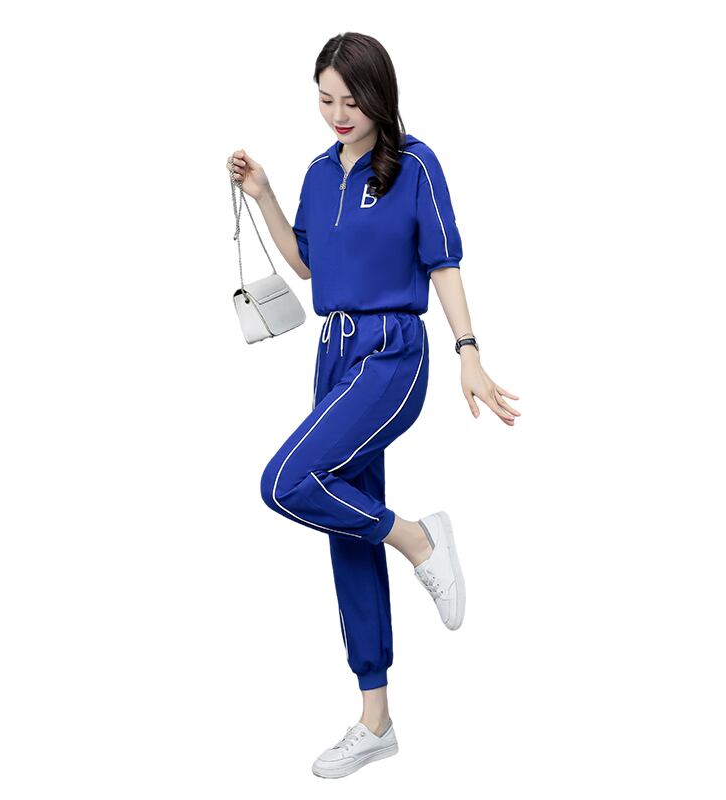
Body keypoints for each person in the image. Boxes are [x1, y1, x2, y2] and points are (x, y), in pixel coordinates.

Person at [227, 32, 520, 778]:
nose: (338, 114)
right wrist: (264, 194)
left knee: (286, 481)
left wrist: (469, 351)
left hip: (392, 353)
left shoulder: (415, 164)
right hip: (333, 353)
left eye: (351, 101)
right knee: (342, 525)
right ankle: (375, 719)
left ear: (379, 96)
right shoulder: (319, 172)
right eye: (325, 100)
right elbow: (306, 265)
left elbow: (442, 262)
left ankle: (420, 540)